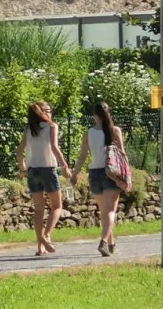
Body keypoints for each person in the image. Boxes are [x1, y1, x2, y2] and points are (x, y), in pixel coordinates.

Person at [72, 101, 127, 257]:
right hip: (111, 173)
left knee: (104, 212)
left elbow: (82, 156)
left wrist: (75, 174)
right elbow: (122, 154)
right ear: (108, 113)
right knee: (110, 211)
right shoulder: (115, 130)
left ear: (94, 116)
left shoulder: (88, 133)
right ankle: (103, 241)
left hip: (94, 173)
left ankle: (111, 245)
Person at [17, 100, 70, 255]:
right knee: (57, 206)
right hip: (48, 169)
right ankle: (46, 235)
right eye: (49, 110)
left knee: (39, 209)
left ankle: (40, 246)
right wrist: (65, 167)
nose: (51, 112)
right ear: (43, 112)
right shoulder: (51, 126)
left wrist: (22, 169)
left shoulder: (29, 129)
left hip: (32, 170)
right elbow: (54, 147)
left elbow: (19, 152)